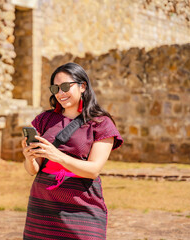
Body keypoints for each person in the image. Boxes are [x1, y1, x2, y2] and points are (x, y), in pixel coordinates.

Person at [21, 62, 123, 240]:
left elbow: (93, 170)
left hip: (81, 205)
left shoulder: (101, 123)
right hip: (43, 205)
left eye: (66, 86)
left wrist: (58, 156)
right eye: (56, 88)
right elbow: (33, 170)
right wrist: (28, 158)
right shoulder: (44, 119)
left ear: (83, 86)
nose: (61, 93)